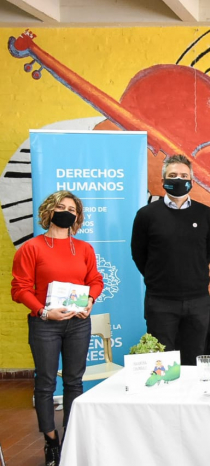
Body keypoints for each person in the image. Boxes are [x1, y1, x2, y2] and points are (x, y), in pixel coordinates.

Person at [11, 191, 104, 466]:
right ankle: (51, 442)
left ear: (77, 217)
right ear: (50, 211)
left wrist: (90, 300)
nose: (66, 212)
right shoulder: (31, 248)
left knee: (74, 382)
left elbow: (95, 280)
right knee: (46, 383)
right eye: (61, 207)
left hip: (77, 323)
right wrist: (43, 311)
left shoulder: (84, 249)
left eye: (72, 210)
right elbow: (20, 289)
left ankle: (71, 439)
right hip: (44, 325)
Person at [131, 154, 210, 366]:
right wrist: (159, 276)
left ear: (191, 182)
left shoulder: (205, 214)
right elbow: (139, 254)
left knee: (194, 361)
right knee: (162, 364)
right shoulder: (146, 215)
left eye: (183, 175)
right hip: (160, 302)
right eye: (173, 175)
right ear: (163, 181)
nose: (178, 179)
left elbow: (206, 254)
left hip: (197, 301)